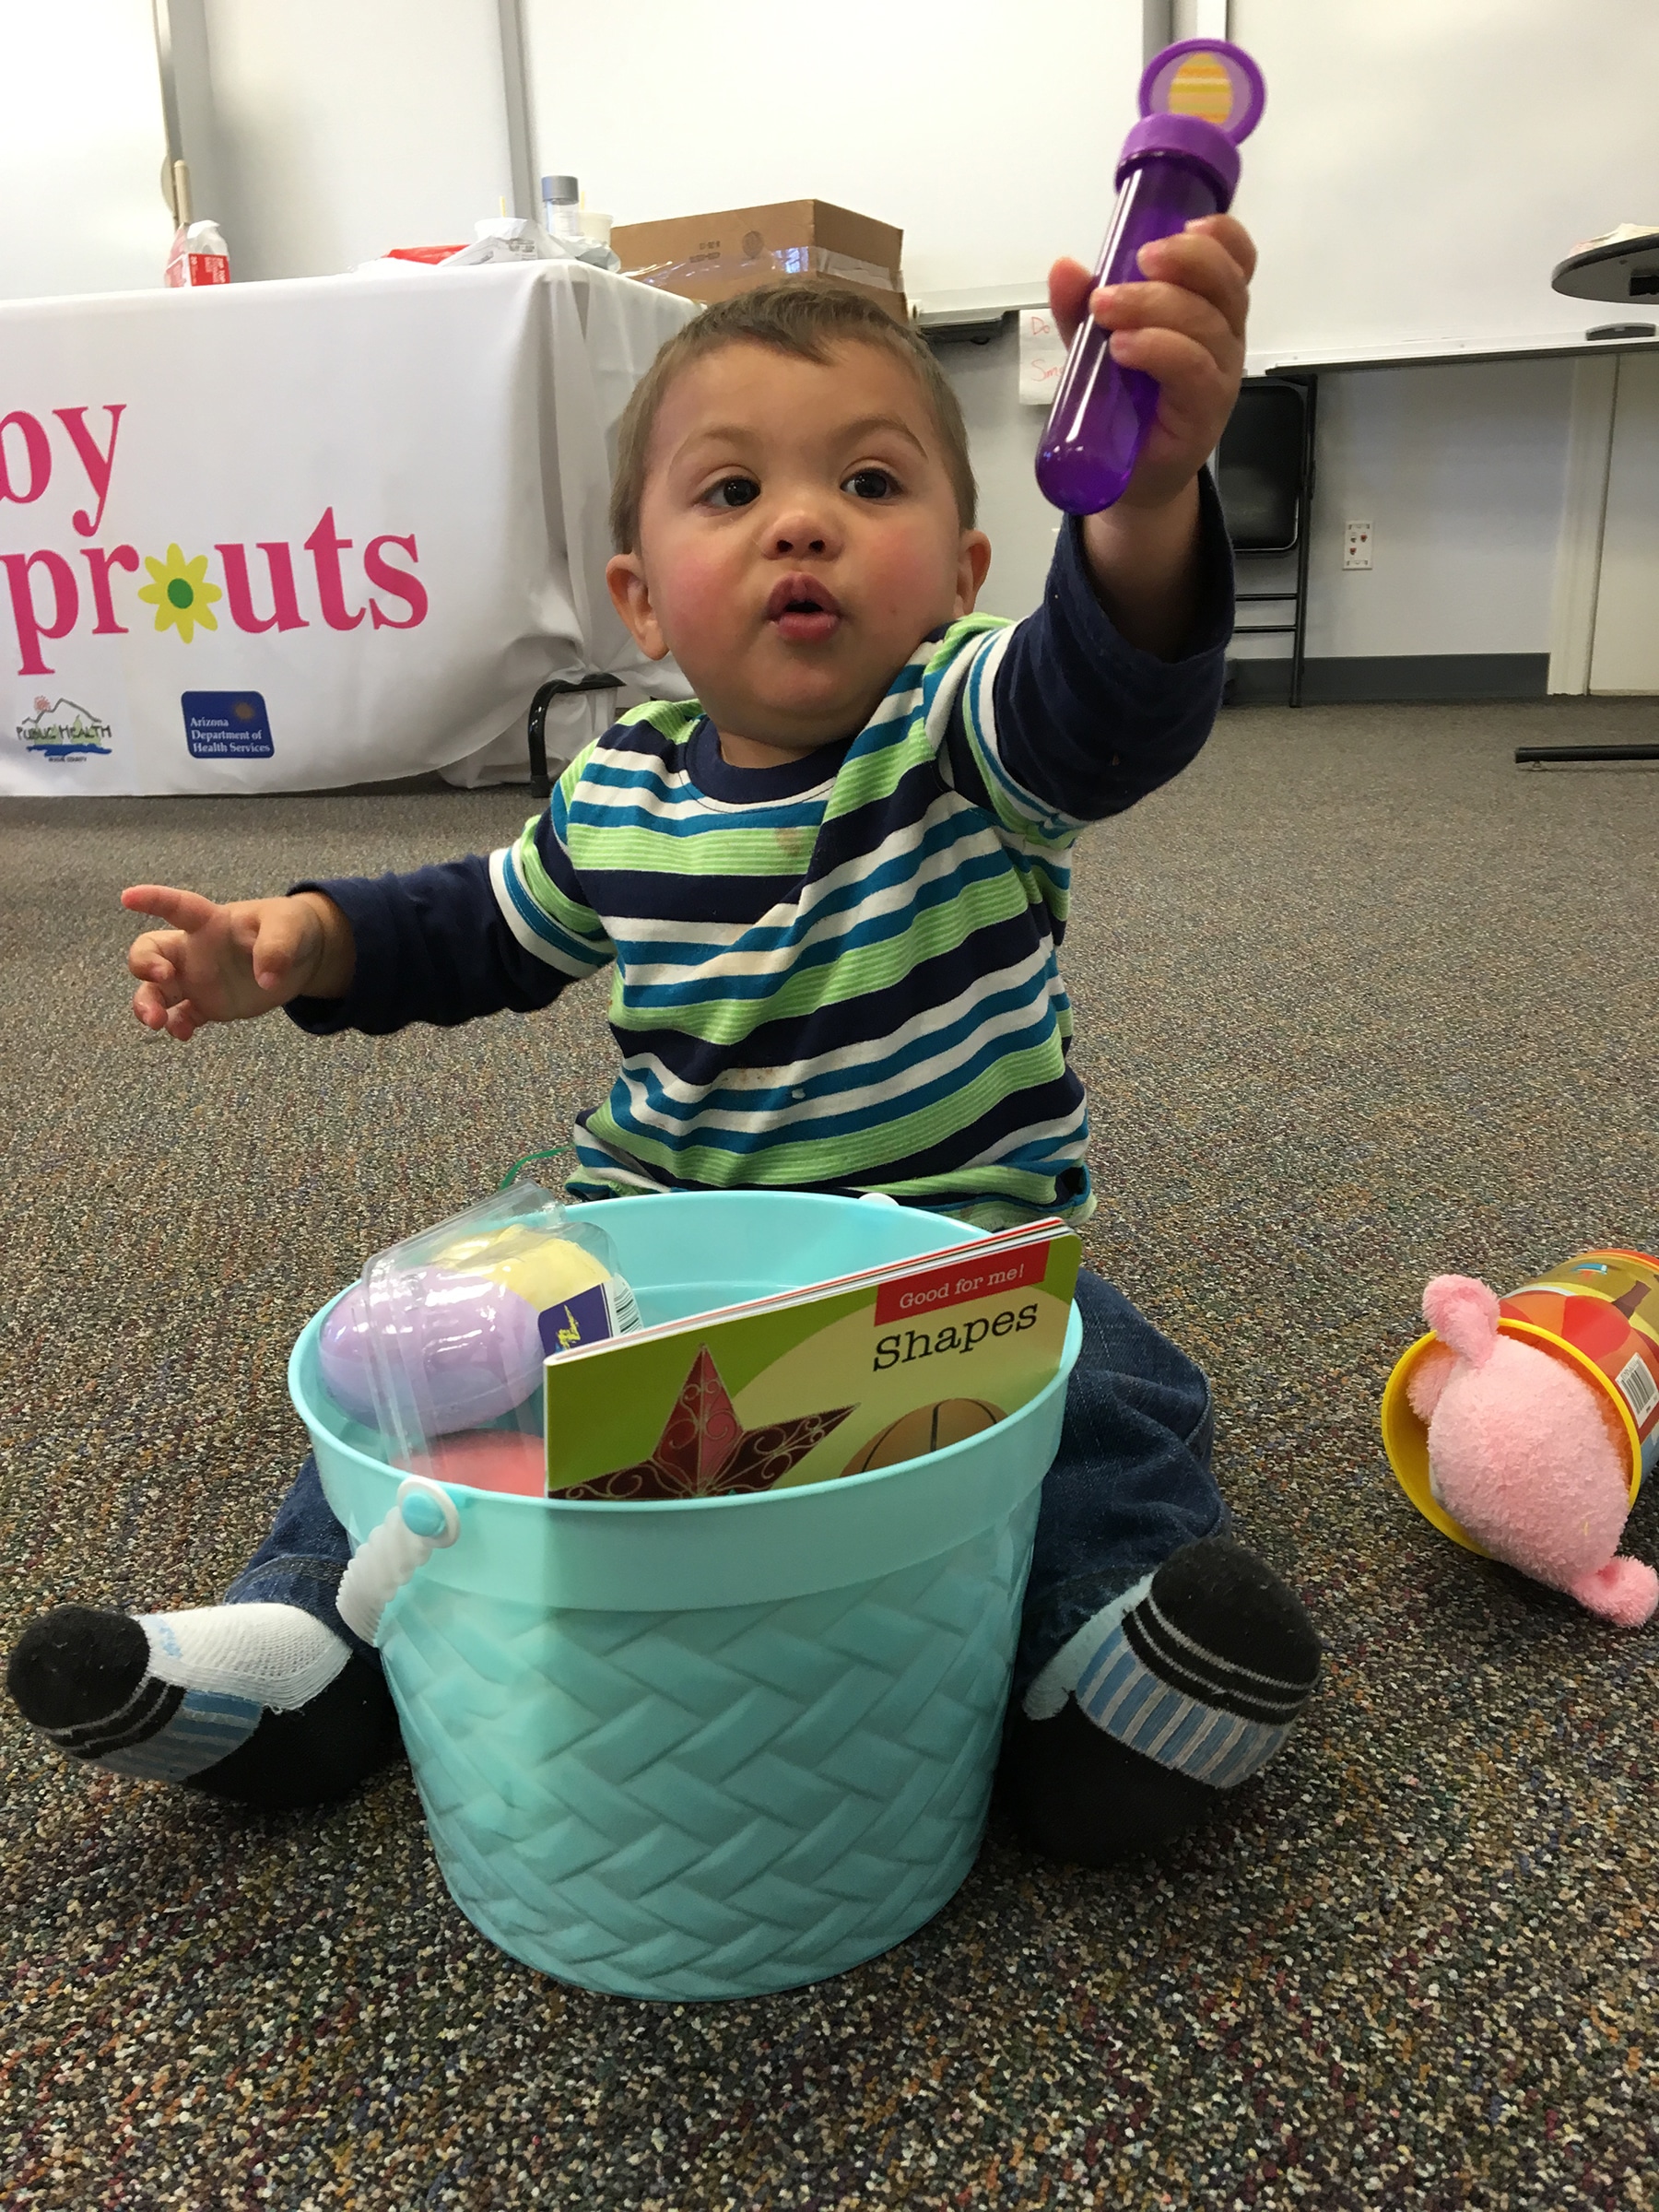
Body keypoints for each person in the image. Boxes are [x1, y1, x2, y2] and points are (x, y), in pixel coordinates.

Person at [7, 229, 1320, 1865]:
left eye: (868, 480)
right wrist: (306, 938)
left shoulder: (965, 729)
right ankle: (318, 1647)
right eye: (728, 493)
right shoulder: (620, 783)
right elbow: (483, 925)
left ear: (965, 568)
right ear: (637, 599)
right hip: (648, 1253)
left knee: (1110, 1392)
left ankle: (1092, 1679)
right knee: (412, 1367)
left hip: (947, 1251)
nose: (801, 520)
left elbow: (1105, 695)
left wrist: (1140, 498)